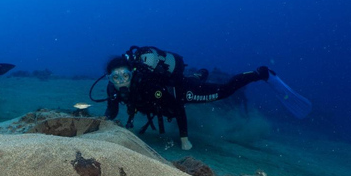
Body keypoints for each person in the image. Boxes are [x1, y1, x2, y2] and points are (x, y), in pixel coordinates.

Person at [102, 46, 271, 150]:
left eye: (125, 75)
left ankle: (257, 74)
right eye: (115, 78)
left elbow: (177, 108)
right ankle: (200, 74)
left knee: (223, 91)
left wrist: (184, 140)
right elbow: (111, 112)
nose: (121, 81)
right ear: (109, 79)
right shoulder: (113, 90)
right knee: (194, 79)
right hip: (173, 89)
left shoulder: (148, 86)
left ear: (132, 74)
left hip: (180, 92)